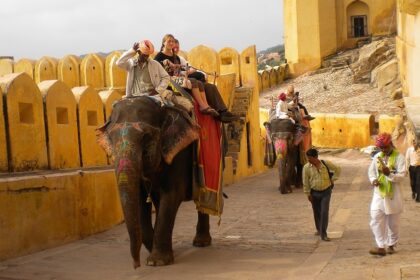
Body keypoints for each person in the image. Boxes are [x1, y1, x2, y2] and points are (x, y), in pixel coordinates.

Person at [172, 38, 239, 123]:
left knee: (211, 87)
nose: (176, 49)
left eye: (177, 47)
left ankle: (222, 112)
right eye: (174, 47)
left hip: (187, 80)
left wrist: (203, 74)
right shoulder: (166, 58)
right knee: (198, 83)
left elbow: (192, 68)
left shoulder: (180, 58)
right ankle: (205, 107)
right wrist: (186, 72)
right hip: (179, 84)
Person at [154, 34, 218, 117]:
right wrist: (164, 63)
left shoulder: (175, 57)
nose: (171, 43)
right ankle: (202, 106)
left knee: (199, 83)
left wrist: (186, 71)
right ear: (163, 43)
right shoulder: (160, 56)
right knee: (194, 81)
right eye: (169, 41)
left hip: (176, 78)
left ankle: (205, 105)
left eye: (172, 41)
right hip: (167, 80)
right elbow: (155, 67)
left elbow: (179, 71)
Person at [368, 133, 406, 256]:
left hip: (393, 195)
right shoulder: (377, 156)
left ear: (390, 144)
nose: (383, 150)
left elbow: (402, 176)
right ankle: (380, 246)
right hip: (379, 194)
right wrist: (373, 180)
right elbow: (372, 172)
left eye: (385, 147)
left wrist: (389, 174)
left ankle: (391, 245)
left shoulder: (400, 157)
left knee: (393, 224)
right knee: (375, 219)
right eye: (381, 148)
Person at [303, 148, 341, 241]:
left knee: (324, 212)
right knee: (316, 212)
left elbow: (338, 169)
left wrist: (333, 179)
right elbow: (305, 181)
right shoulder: (306, 168)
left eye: (310, 158)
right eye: (308, 158)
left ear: (316, 157)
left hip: (326, 192)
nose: (309, 160)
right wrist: (308, 193)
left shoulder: (325, 164)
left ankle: (323, 234)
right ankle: (319, 229)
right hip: (314, 192)